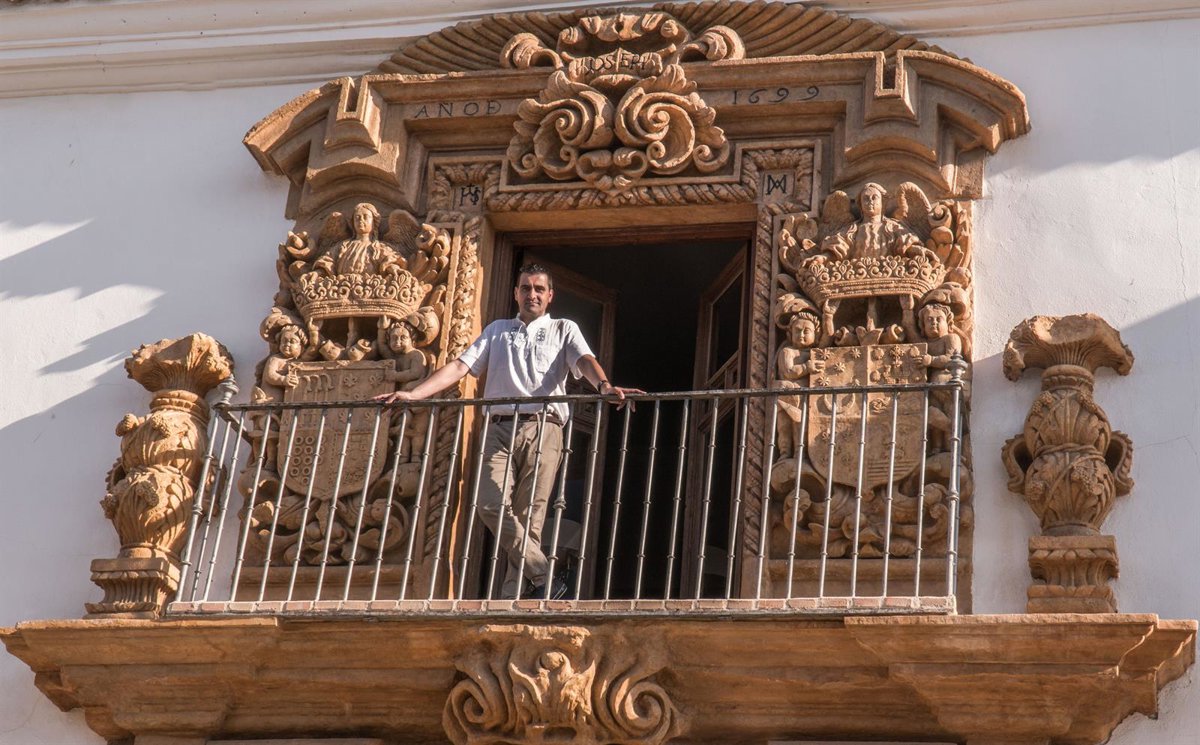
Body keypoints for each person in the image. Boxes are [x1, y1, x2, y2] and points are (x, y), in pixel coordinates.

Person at [376, 264, 641, 599]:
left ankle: (511, 597)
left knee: (531, 518)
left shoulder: (563, 328)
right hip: (499, 428)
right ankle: (543, 575)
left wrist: (604, 386)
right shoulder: (497, 330)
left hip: (544, 428)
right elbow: (460, 366)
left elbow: (584, 360)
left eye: (539, 289)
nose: (532, 294)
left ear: (550, 295)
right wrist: (415, 394)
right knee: (489, 503)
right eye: (526, 288)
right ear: (516, 293)